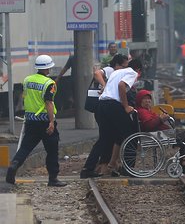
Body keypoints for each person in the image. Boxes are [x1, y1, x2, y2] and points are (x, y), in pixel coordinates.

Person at [6, 55, 67, 187]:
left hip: (31, 120)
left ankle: (14, 164)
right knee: (52, 150)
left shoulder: (27, 80)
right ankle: (53, 179)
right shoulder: (49, 83)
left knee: (25, 147)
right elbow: (49, 103)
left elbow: (26, 97)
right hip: (45, 120)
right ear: (48, 68)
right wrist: (51, 122)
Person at [80, 54, 129, 179]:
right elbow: (97, 73)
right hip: (102, 107)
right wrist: (105, 86)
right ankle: (91, 167)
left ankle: (103, 165)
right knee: (105, 138)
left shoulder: (118, 74)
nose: (125, 69)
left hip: (106, 108)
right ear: (117, 65)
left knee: (109, 137)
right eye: (124, 66)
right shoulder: (110, 70)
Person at [134, 89, 185, 173]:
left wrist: (160, 118)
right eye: (145, 99)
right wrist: (160, 119)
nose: (148, 101)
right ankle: (184, 161)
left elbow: (152, 121)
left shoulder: (146, 111)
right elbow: (148, 125)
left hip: (159, 134)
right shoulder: (142, 112)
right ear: (140, 100)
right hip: (158, 135)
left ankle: (184, 160)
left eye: (149, 99)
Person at [96, 59, 143, 176]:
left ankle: (106, 167)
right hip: (113, 105)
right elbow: (121, 85)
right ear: (138, 70)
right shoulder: (132, 73)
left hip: (102, 104)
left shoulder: (117, 72)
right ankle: (129, 168)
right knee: (131, 134)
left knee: (109, 136)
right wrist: (126, 106)